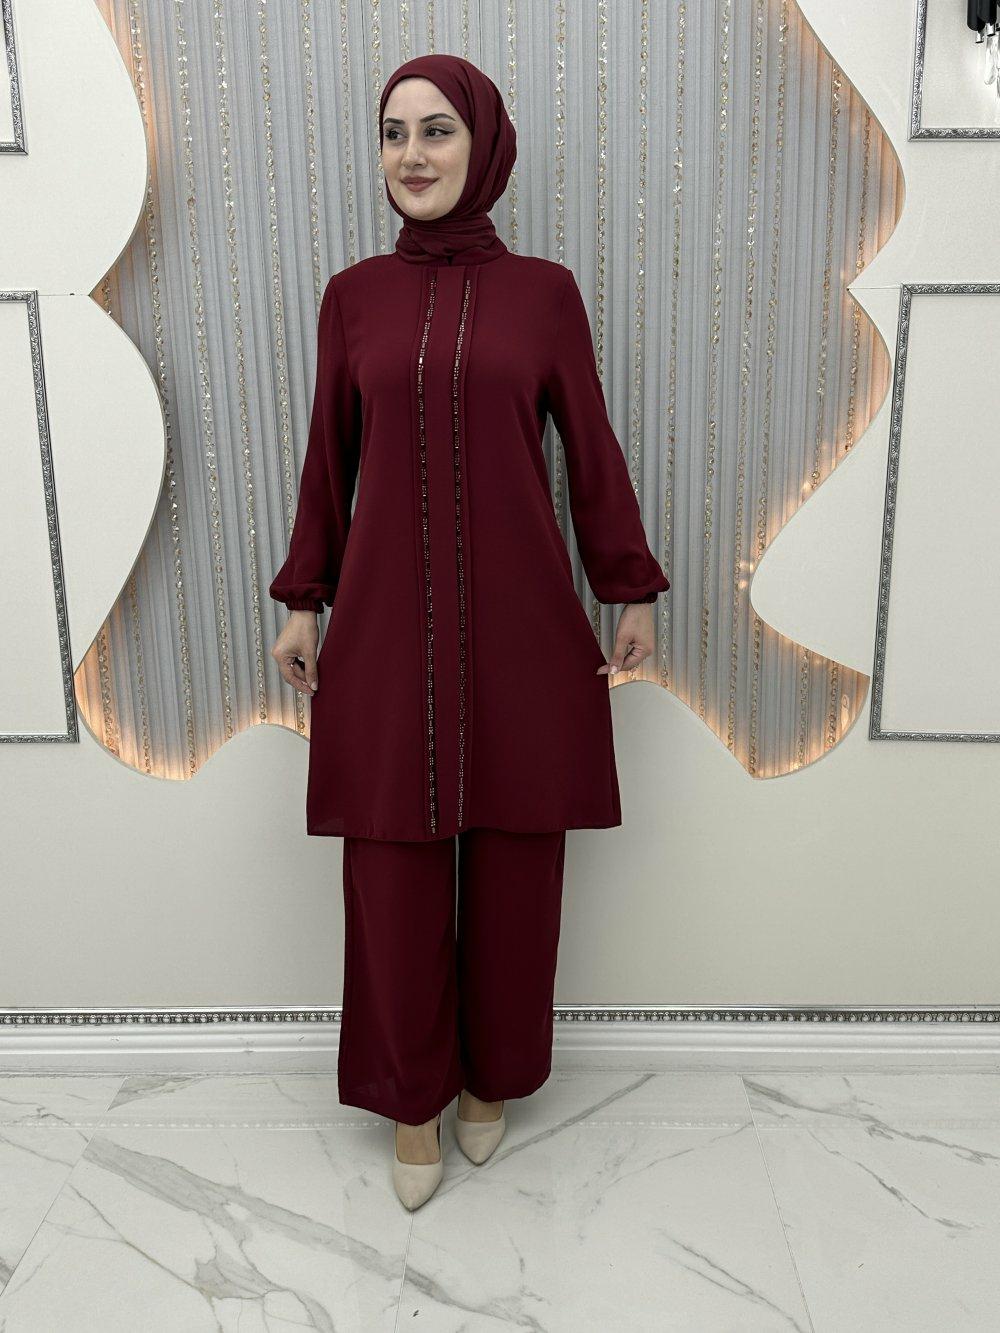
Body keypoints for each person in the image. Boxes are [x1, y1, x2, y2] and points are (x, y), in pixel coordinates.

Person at [270, 53, 670, 1210]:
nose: (412, 154)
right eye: (394, 132)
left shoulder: (544, 295)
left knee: (515, 865)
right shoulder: (353, 297)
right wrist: (303, 598)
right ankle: (412, 1097)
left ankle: (492, 1077)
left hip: (521, 625)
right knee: (391, 864)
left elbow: (589, 447)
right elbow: (329, 461)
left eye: (436, 129)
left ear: (483, 143)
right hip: (386, 629)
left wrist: (629, 587)